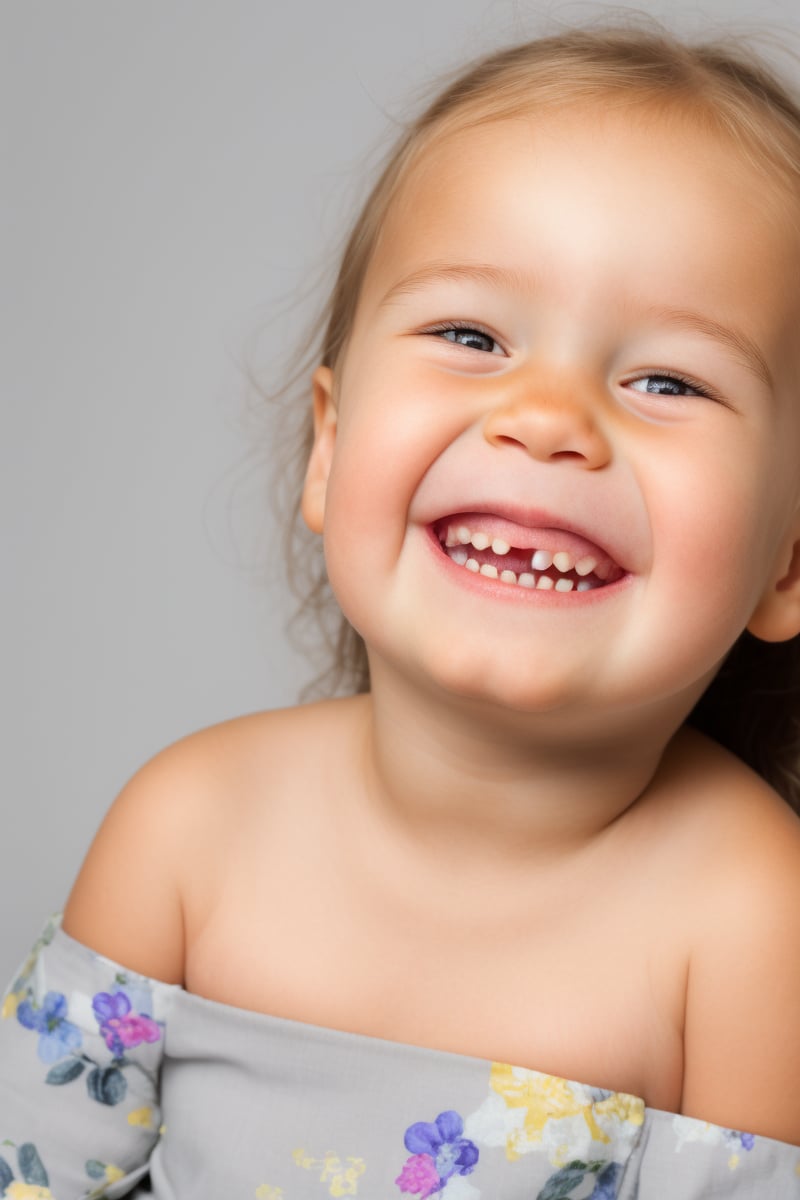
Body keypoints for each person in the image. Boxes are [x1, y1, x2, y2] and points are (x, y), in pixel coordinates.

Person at [3, 22, 800, 1199]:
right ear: (328, 447)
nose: (546, 417)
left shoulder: (749, 927)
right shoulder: (188, 828)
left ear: (786, 561)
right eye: (470, 336)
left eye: (666, 380)